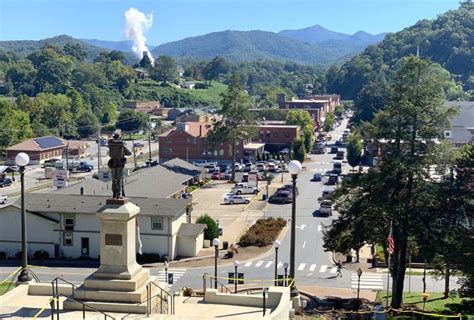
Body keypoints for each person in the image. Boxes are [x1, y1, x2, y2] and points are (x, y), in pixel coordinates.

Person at [107, 131, 132, 199]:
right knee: (119, 179)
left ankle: (114, 193)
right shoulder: (122, 144)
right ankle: (118, 193)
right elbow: (129, 153)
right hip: (120, 163)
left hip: (112, 163)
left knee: (113, 179)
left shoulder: (110, 144)